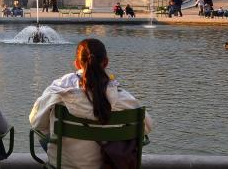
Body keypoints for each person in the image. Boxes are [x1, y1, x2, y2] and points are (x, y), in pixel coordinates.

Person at [29, 39, 153, 169]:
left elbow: (35, 121)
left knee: (46, 135)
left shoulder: (58, 91)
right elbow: (146, 127)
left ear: (77, 63)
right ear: (106, 62)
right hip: (108, 164)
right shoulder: (123, 98)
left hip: (64, 164)